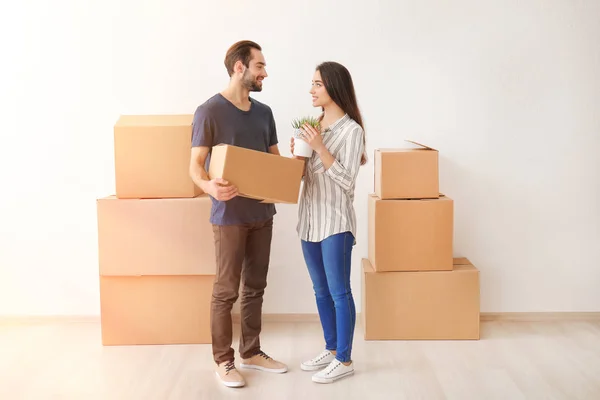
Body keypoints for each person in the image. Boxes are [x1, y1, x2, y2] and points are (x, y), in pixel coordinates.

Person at [189, 40, 288, 389]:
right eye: (260, 65)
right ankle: (224, 361)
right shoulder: (209, 111)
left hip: (263, 212)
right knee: (226, 290)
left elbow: (275, 163)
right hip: (229, 216)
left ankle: (251, 351)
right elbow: (194, 168)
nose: (265, 72)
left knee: (256, 286)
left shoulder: (264, 113)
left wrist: (299, 155)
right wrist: (210, 187)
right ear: (239, 67)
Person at [290, 61, 366, 384]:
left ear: (334, 88)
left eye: (317, 84)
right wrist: (300, 155)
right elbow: (305, 177)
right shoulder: (312, 125)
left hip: (335, 222)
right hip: (309, 220)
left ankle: (345, 359)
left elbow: (348, 182)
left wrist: (320, 147)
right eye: (312, 84)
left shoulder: (352, 131)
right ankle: (332, 348)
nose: (311, 90)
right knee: (320, 290)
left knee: (339, 291)